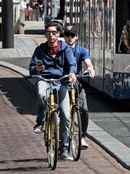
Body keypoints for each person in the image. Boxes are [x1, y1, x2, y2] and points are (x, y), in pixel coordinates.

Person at [30, 21, 77, 161]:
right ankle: (40, 121)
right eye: (48, 32)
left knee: (65, 115)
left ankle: (64, 149)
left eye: (53, 32)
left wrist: (72, 73)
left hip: (60, 81)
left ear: (58, 34)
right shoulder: (40, 49)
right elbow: (32, 67)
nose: (50, 35)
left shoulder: (65, 49)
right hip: (45, 80)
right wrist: (36, 69)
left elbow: (72, 64)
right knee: (40, 93)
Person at [62, 25, 95, 150]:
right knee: (61, 111)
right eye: (67, 35)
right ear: (64, 37)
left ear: (77, 37)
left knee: (84, 109)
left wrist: (90, 69)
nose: (70, 38)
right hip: (63, 82)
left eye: (72, 35)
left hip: (76, 83)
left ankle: (82, 137)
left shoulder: (81, 50)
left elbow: (88, 62)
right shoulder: (60, 50)